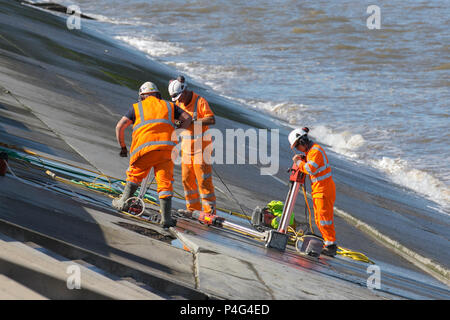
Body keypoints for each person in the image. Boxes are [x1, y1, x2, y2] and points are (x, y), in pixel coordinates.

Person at [112, 81, 192, 228]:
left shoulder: (136, 107)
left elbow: (119, 127)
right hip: (167, 149)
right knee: (165, 183)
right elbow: (187, 118)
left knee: (135, 175)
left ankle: (123, 202)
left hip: (145, 149)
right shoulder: (170, 106)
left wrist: (123, 147)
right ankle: (166, 218)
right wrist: (177, 130)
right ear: (157, 94)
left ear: (142, 96)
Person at [168, 76, 217, 214]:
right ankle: (192, 210)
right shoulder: (179, 103)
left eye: (179, 97)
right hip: (186, 149)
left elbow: (211, 119)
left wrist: (192, 122)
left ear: (184, 91)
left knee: (203, 181)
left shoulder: (199, 101)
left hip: (202, 149)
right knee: (186, 180)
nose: (178, 100)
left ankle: (209, 212)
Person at [289, 127, 337, 256]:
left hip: (324, 190)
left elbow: (310, 169)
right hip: (319, 189)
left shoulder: (315, 151)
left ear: (302, 142)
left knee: (324, 219)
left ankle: (331, 245)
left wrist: (299, 162)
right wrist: (302, 159)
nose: (297, 150)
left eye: (297, 147)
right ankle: (328, 243)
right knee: (319, 219)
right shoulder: (311, 152)